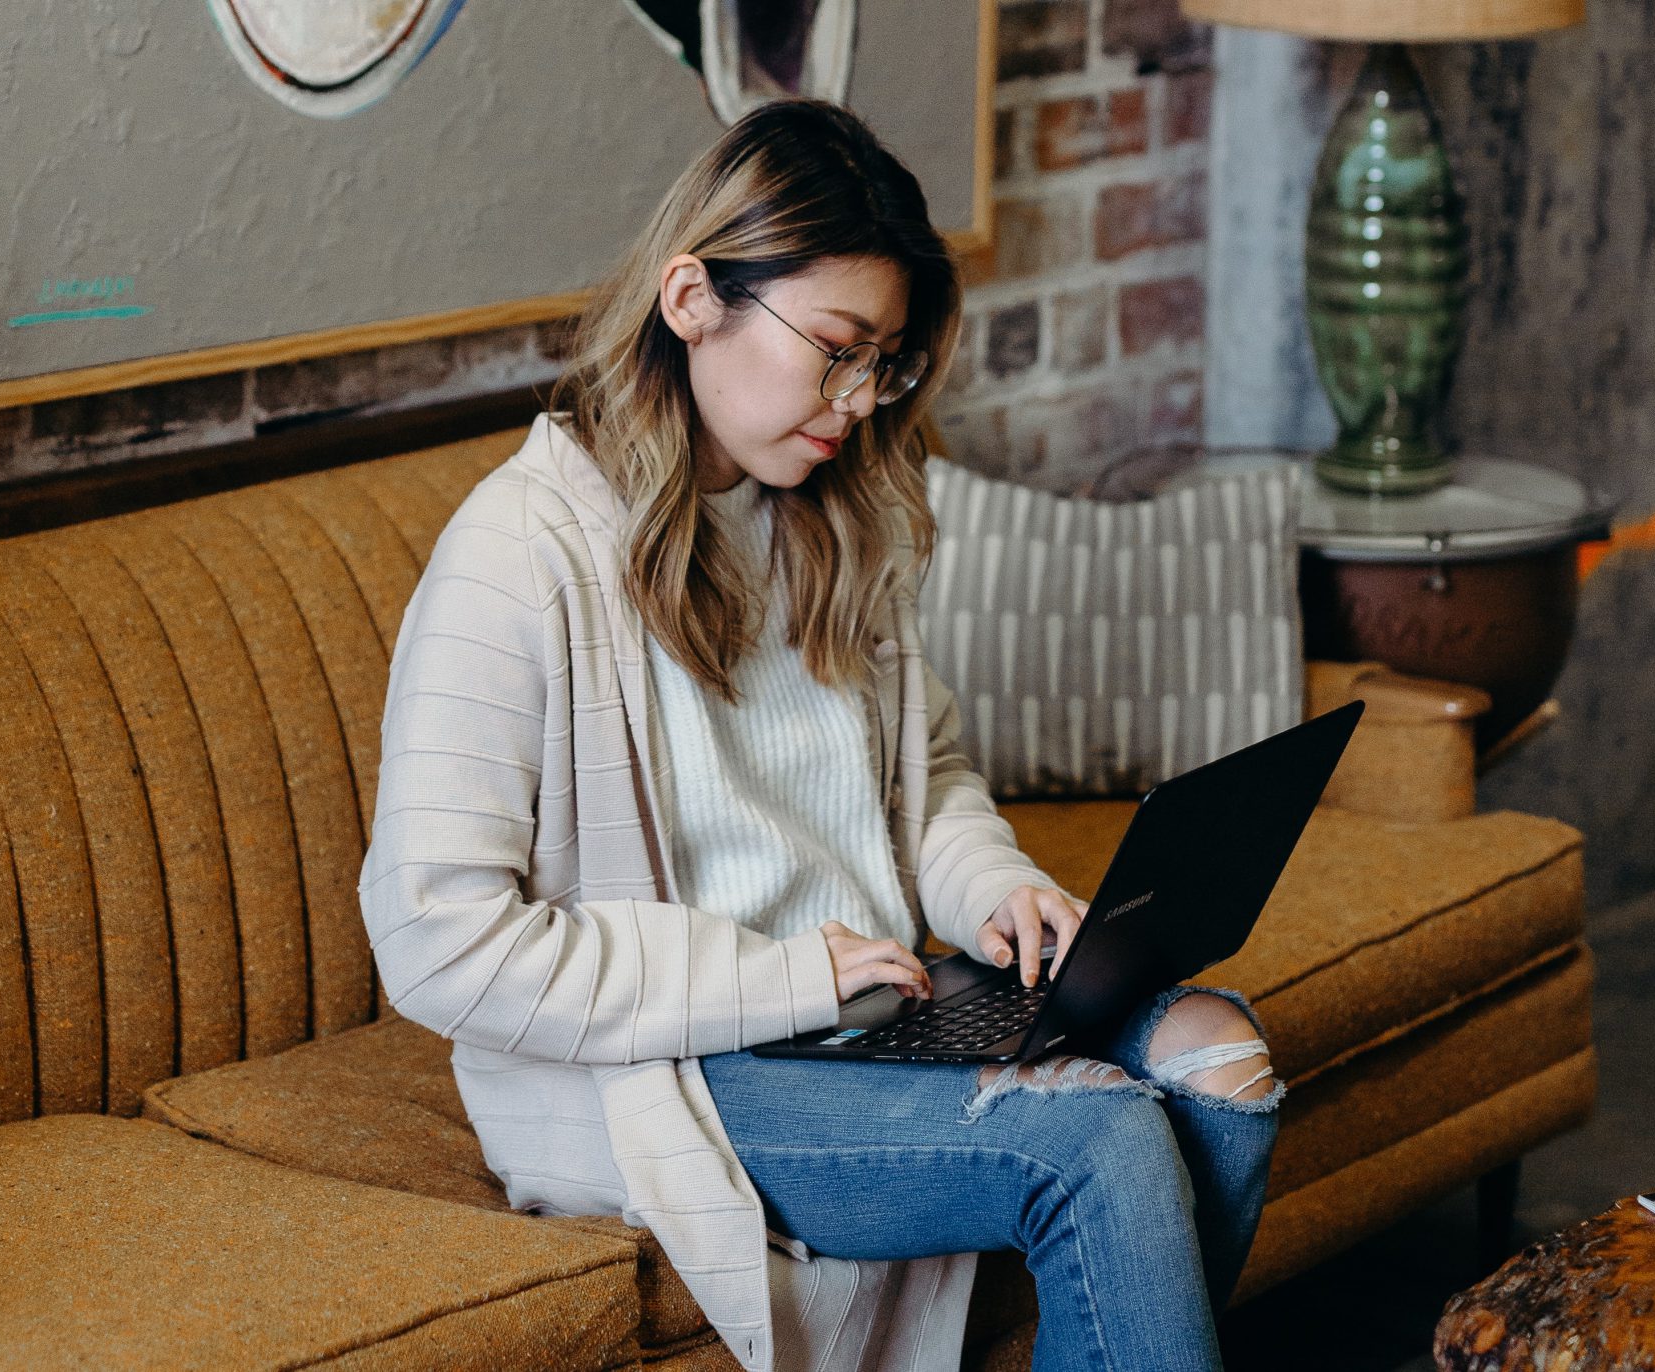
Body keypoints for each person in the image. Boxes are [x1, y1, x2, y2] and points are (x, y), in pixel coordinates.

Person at [358, 98, 1283, 1372]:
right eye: (834, 348)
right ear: (691, 297)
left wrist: (994, 886)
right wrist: (784, 978)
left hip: (872, 1010)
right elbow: (435, 941)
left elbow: (929, 783)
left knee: (1212, 1053)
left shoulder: (836, 519)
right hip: (671, 1069)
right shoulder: (520, 557)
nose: (855, 399)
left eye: (882, 362)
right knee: (1098, 1135)